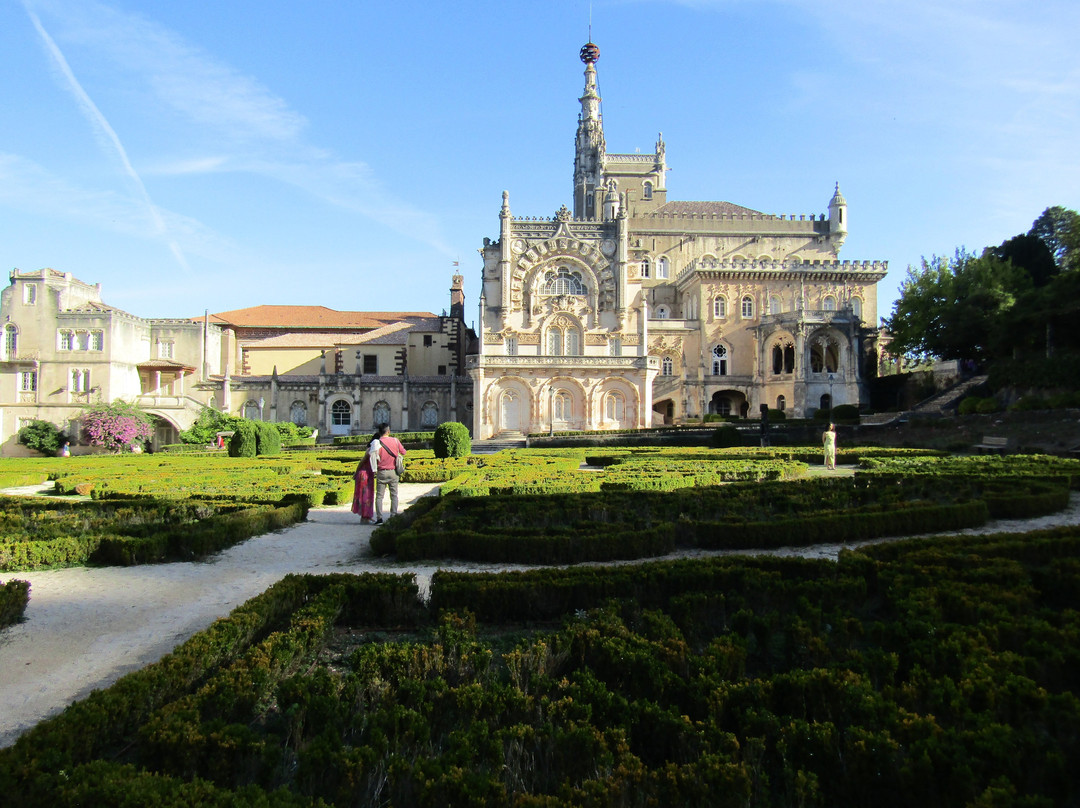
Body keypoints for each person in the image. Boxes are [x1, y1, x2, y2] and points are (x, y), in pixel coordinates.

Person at [369, 423, 406, 524]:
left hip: (381, 472)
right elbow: (404, 452)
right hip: (393, 472)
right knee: (394, 495)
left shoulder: (376, 443)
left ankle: (379, 518)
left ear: (379, 432)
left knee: (379, 496)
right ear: (388, 431)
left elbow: (372, 457)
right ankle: (393, 516)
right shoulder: (395, 441)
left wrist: (374, 470)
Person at [350, 432, 379, 523]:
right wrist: (356, 472)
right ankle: (364, 517)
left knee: (369, 495)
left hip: (369, 474)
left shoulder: (374, 450)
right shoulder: (370, 450)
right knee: (365, 496)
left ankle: (367, 516)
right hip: (364, 474)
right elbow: (362, 462)